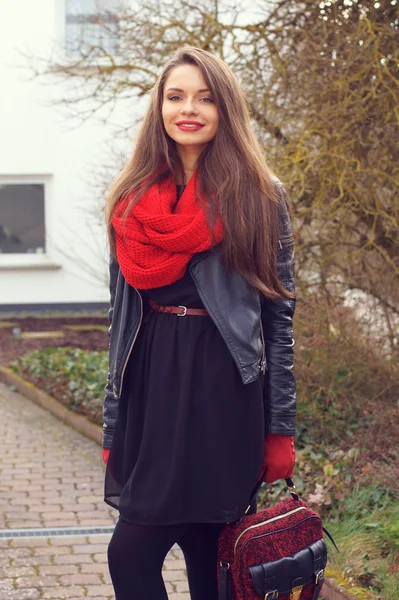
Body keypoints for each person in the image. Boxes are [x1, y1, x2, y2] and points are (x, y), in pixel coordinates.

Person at [101, 45, 296, 600]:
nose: (189, 109)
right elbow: (118, 323)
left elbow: (278, 319)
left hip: (223, 389)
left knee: (212, 557)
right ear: (159, 108)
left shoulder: (259, 197)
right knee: (131, 553)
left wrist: (279, 429)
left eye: (205, 98)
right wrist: (114, 426)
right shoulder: (130, 202)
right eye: (176, 96)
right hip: (152, 385)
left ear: (225, 109)